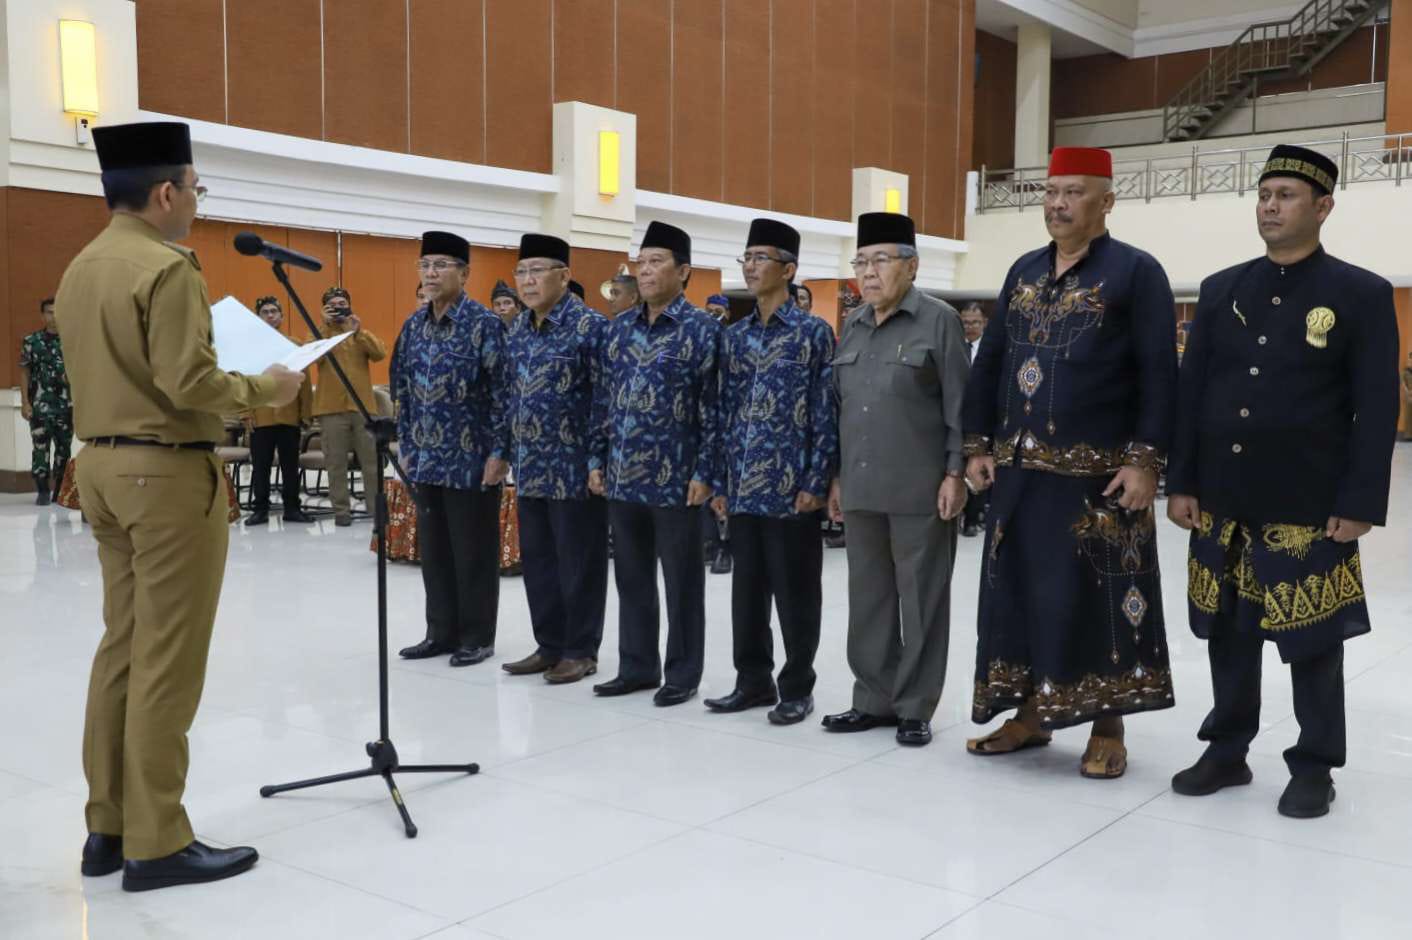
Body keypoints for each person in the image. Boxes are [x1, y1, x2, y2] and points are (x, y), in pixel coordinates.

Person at [56, 121, 303, 891]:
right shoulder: (167, 268)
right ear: (167, 192)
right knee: (167, 660)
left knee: (122, 649)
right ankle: (158, 841)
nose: (196, 202)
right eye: (196, 188)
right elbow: (187, 383)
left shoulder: (81, 266)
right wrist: (271, 387)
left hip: (98, 465)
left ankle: (110, 826)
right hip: (164, 475)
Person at [1166, 145, 1399, 818]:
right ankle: (1227, 749)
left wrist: (1359, 503)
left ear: (1323, 207)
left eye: (1286, 194)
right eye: (1264, 193)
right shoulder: (1221, 289)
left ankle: (1315, 764)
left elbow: (1376, 405)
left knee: (1313, 641)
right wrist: (1183, 481)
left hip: (1308, 501)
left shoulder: (1359, 293)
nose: (1270, 205)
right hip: (1224, 497)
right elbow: (1193, 393)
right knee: (1228, 632)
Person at [962, 147, 1178, 779]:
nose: (1058, 204)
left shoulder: (1137, 273)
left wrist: (1145, 462)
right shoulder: (1023, 271)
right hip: (1020, 475)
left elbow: (1160, 375)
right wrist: (977, 444)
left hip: (1100, 479)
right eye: (1052, 191)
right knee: (1024, 596)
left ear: (1107, 201)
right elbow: (994, 359)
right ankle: (1031, 716)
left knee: (1101, 600)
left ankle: (1107, 726)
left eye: (1074, 192)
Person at [823, 212, 968, 747]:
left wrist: (956, 472)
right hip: (860, 489)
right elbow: (844, 409)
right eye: (861, 261)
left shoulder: (938, 321)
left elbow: (960, 406)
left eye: (881, 260)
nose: (868, 272)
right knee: (869, 600)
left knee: (921, 600)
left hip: (920, 489)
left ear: (911, 265)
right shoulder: (854, 324)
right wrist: (837, 478)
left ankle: (914, 705)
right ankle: (873, 699)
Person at [705, 219, 836, 725]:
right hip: (741, 487)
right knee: (747, 593)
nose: (751, 266)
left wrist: (815, 480)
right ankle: (752, 681)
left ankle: (797, 686)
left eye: (761, 258)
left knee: (797, 593)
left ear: (789, 269)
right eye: (747, 258)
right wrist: (719, 479)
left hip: (790, 489)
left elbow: (825, 412)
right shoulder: (733, 338)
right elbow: (723, 410)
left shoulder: (812, 334)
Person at [590, 221, 720, 706]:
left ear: (683, 271)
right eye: (640, 264)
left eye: (655, 263)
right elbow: (603, 402)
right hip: (623, 477)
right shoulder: (618, 328)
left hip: (676, 480)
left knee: (682, 582)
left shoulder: (703, 331)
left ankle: (682, 673)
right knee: (632, 578)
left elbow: (714, 409)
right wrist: (596, 459)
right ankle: (636, 666)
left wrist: (706, 472)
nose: (644, 272)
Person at [393, 231, 509, 667]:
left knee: (473, 552)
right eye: (425, 265)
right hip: (425, 460)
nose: (431, 273)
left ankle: (476, 636)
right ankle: (439, 632)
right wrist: (405, 443)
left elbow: (503, 394)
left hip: (472, 461)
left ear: (464, 273)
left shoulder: (483, 325)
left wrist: (500, 452)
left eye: (442, 265)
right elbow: (401, 387)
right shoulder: (413, 326)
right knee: (436, 553)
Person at [500, 233, 610, 685]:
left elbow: (605, 400)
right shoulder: (518, 329)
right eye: (521, 273)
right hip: (529, 468)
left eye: (537, 271)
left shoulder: (590, 328)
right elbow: (510, 395)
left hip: (574, 470)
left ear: (564, 276)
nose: (527, 281)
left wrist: (596, 460)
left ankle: (581, 649)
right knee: (540, 562)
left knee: (579, 563)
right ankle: (549, 644)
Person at [311, 287, 385, 526]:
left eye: (342, 303)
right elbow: (312, 357)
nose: (339, 308)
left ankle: (376, 512)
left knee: (371, 464)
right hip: (330, 409)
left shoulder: (358, 333)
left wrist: (358, 331)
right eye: (332, 304)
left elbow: (380, 354)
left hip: (363, 409)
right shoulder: (319, 334)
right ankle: (341, 513)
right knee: (335, 464)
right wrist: (324, 326)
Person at [244, 297, 314, 525]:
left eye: (274, 311)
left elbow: (304, 381)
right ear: (258, 317)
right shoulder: (251, 348)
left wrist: (305, 413)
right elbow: (241, 381)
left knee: (290, 466)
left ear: (282, 317)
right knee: (261, 466)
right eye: (265, 312)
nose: (270, 315)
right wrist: (245, 412)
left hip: (289, 415)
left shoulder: (293, 345)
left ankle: (292, 508)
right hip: (260, 417)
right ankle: (260, 509)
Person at [18, 297, 72, 506]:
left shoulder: (71, 341)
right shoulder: (32, 342)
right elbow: (24, 372)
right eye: (49, 312)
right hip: (40, 406)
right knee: (40, 448)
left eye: (58, 312)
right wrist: (25, 402)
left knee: (64, 449)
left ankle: (59, 490)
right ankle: (42, 489)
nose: (54, 316)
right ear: (43, 315)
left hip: (67, 406)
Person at [958, 303, 989, 538]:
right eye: (966, 322)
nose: (970, 327)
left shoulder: (990, 350)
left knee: (976, 465)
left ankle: (972, 519)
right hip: (956, 417)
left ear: (984, 323)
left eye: (974, 322)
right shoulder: (954, 347)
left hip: (980, 417)